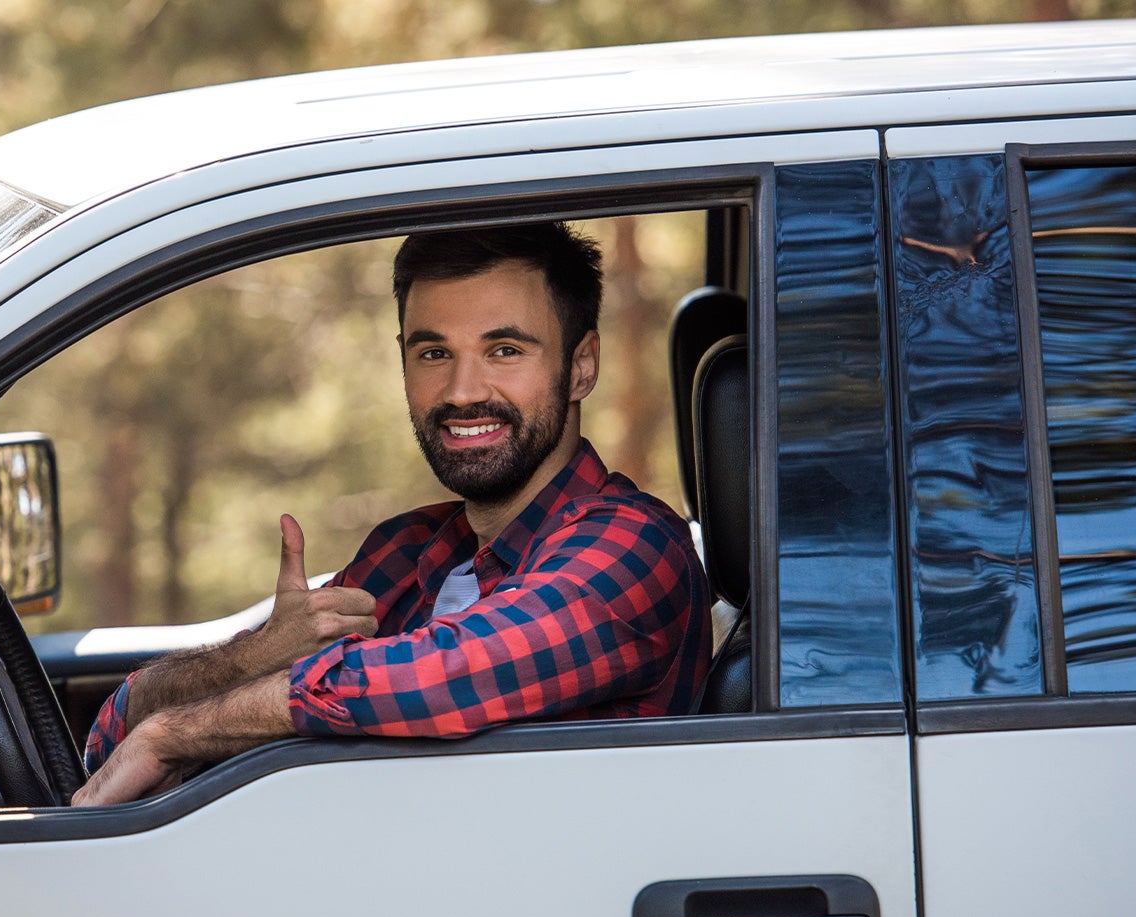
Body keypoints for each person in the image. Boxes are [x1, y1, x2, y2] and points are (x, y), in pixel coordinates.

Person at [72, 221, 712, 807]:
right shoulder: (408, 550)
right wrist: (255, 656)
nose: (462, 392)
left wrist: (181, 733)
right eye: (434, 353)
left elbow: (446, 675)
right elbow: (111, 739)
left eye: (505, 351)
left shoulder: (634, 546)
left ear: (581, 366)